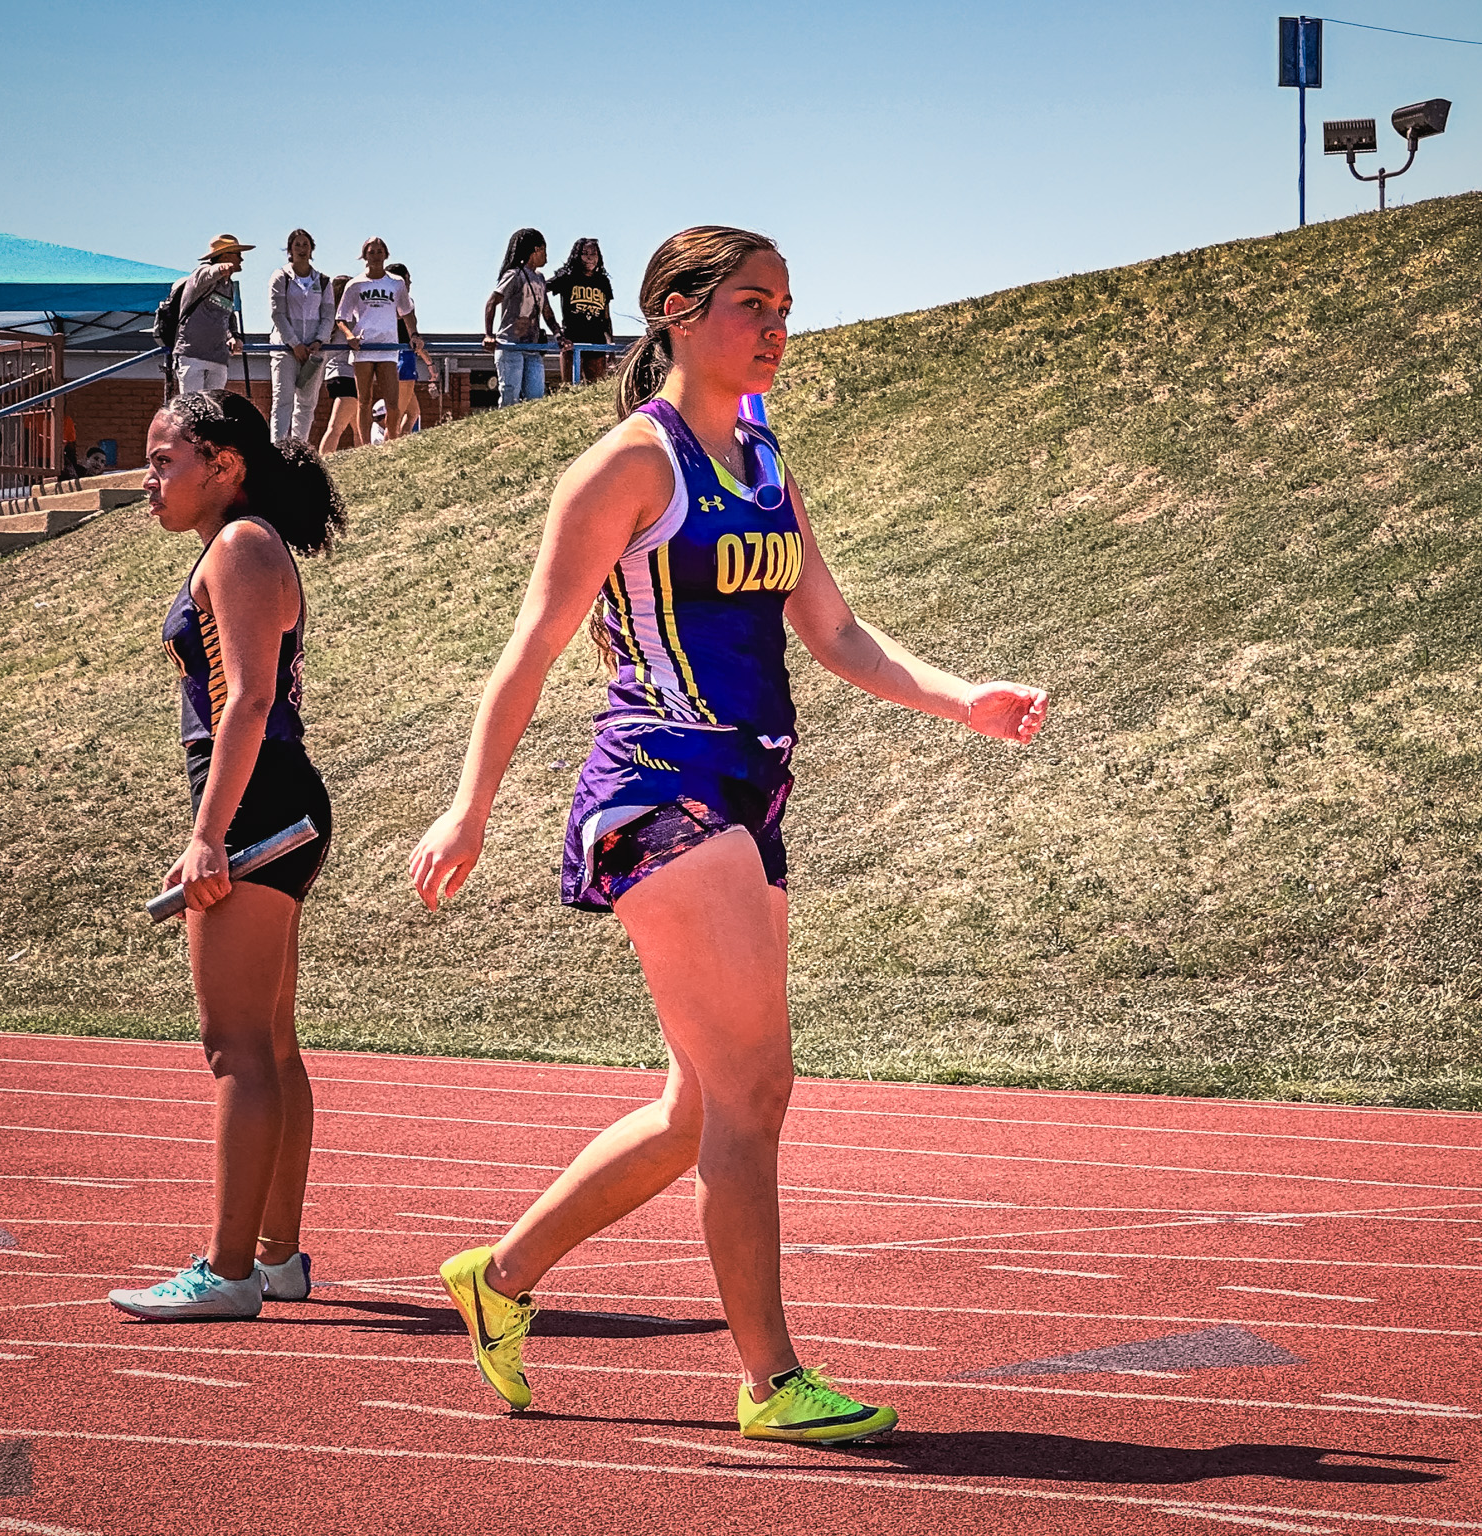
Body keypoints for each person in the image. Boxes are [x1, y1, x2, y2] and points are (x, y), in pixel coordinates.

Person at [407, 226, 1049, 1442]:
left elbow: (837, 633)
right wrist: (469, 804)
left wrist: (960, 695)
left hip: (755, 792)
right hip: (656, 785)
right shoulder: (624, 468)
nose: (776, 327)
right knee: (759, 1086)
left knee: (698, 1109)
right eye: (753, 303)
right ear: (676, 311)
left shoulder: (762, 459)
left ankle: (496, 1280)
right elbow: (533, 645)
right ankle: (769, 1381)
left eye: (787, 306)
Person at [107, 390, 344, 1322]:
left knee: (235, 1048)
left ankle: (229, 1269)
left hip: (257, 801)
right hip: (270, 798)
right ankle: (276, 1260)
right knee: (272, 1045)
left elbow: (246, 702)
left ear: (224, 464)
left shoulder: (240, 546)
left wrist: (208, 833)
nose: (150, 479)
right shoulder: (241, 543)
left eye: (166, 459)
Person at [335, 239, 421, 441]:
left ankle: (391, 442)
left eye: (379, 251)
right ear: (364, 255)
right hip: (364, 349)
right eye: (371, 252)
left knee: (393, 402)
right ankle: (365, 446)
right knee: (364, 400)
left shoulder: (396, 283)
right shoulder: (355, 284)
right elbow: (341, 317)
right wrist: (349, 336)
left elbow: (407, 313)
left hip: (388, 348)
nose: (375, 255)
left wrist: (415, 334)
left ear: (386, 254)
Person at [483, 227, 567, 407]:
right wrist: (489, 335)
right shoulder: (514, 275)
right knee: (510, 396)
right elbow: (492, 302)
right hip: (510, 345)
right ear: (536, 250)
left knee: (535, 398)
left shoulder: (540, 278)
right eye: (544, 250)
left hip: (533, 346)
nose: (546, 256)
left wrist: (558, 335)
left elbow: (547, 312)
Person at [268, 229, 336, 443]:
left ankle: (299, 447)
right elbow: (277, 313)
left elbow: (328, 315)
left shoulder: (323, 281)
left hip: (314, 352)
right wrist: (294, 344)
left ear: (311, 248)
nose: (301, 249)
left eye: (305, 244)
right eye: (297, 245)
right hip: (285, 350)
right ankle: (278, 449)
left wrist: (318, 341)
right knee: (283, 400)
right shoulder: (280, 277)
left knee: (307, 403)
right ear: (289, 250)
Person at [174, 235, 251, 396]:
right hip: (192, 356)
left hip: (218, 359)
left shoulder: (229, 285)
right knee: (192, 411)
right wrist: (219, 269)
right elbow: (207, 273)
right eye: (237, 254)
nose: (241, 259)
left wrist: (234, 336)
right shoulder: (200, 273)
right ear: (224, 256)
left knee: (213, 413)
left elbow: (229, 314)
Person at [549, 238, 616, 384]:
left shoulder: (603, 281)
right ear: (577, 256)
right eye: (585, 253)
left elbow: (606, 317)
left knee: (596, 389)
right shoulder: (567, 277)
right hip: (571, 340)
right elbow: (541, 289)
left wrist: (611, 346)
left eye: (594, 253)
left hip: (596, 341)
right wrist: (555, 328)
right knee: (570, 388)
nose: (590, 257)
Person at [385, 261, 437, 435]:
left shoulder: (385, 304)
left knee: (413, 412)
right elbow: (412, 340)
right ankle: (388, 451)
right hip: (403, 359)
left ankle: (399, 445)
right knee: (396, 416)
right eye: (409, 280)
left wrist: (429, 363)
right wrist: (429, 364)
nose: (410, 284)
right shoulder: (404, 303)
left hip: (392, 359)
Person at [318, 276, 364, 455]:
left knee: (358, 427)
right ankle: (323, 463)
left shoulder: (329, 316)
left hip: (334, 373)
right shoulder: (349, 315)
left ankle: (364, 465)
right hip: (347, 373)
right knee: (336, 427)